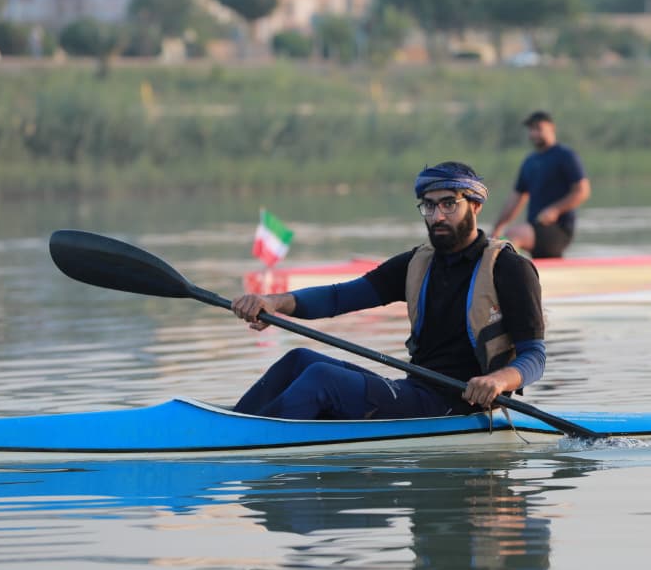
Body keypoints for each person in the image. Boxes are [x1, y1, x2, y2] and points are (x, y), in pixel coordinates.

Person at [230, 161, 546, 420]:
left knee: (321, 379)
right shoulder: (417, 263)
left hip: (463, 405)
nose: (437, 216)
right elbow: (339, 297)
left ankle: (243, 441)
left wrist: (497, 380)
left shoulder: (510, 269)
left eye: (449, 204)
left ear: (475, 206)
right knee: (299, 360)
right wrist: (273, 302)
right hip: (418, 392)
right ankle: (230, 425)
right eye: (429, 206)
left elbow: (534, 356)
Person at [490, 111, 590, 259]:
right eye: (531, 129)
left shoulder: (566, 155)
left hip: (558, 229)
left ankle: (509, 269)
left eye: (538, 128)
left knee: (514, 235)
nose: (534, 133)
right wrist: (497, 227)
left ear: (552, 128)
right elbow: (516, 199)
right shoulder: (529, 162)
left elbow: (582, 191)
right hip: (535, 228)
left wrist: (555, 209)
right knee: (500, 239)